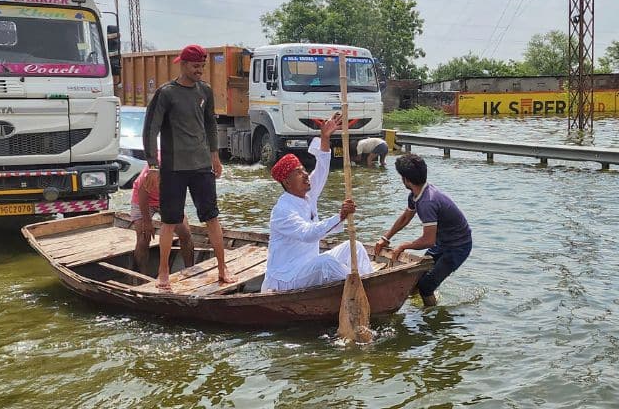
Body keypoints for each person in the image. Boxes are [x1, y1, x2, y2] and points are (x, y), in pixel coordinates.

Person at [143, 44, 235, 289]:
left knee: (212, 217)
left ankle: (222, 268)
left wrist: (215, 155)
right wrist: (152, 165)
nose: (199, 70)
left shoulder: (205, 91)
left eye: (202, 66)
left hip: (201, 166)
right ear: (183, 65)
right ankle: (163, 272)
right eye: (195, 66)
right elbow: (151, 129)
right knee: (169, 221)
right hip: (173, 167)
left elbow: (211, 125)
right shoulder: (166, 93)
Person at [262, 112, 374, 292]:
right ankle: (362, 289)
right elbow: (308, 234)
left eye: (303, 170)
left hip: (306, 267)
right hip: (285, 277)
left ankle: (369, 285)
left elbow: (322, 168)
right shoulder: (282, 211)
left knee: (355, 247)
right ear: (287, 183)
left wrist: (325, 137)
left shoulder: (307, 195)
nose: (305, 174)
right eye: (298, 173)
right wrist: (339, 216)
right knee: (326, 263)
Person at [374, 154, 472, 306]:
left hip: (458, 246)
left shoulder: (427, 201)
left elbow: (428, 240)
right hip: (442, 242)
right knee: (416, 278)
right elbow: (405, 218)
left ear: (406, 179)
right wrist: (385, 238)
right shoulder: (415, 195)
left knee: (426, 287)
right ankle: (415, 308)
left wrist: (403, 246)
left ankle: (431, 316)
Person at [128, 165, 194, 275]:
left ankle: (190, 270)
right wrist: (147, 222)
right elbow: (142, 196)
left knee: (185, 233)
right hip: (143, 200)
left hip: (167, 199)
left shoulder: (182, 168)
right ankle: (142, 277)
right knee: (144, 238)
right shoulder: (150, 173)